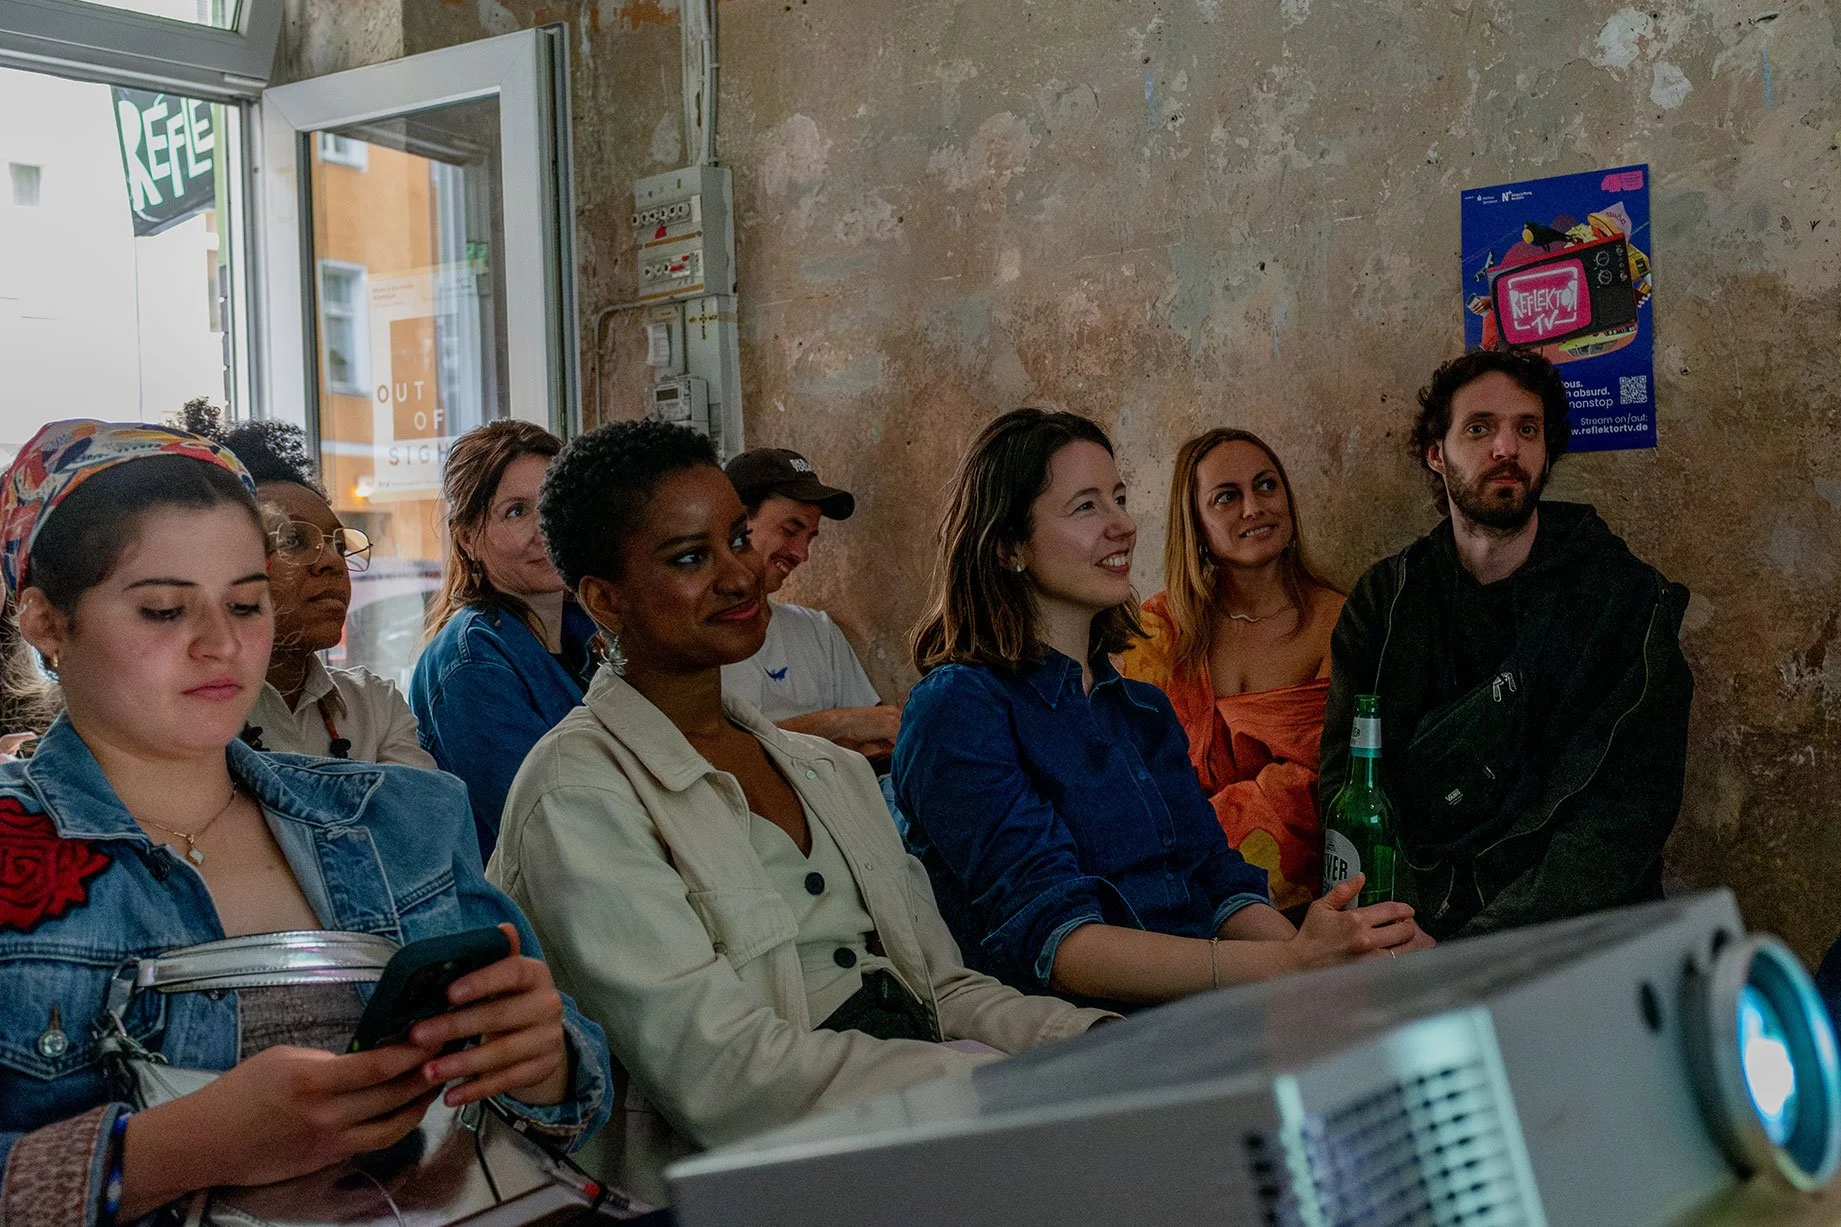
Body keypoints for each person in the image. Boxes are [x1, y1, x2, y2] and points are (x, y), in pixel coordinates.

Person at [0, 420, 611, 1227]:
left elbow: (563, 1085)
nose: (221, 644)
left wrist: (544, 1059)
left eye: (247, 603)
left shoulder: (391, 818)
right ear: (46, 621)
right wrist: (175, 1148)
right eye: (161, 609)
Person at [487, 419, 1115, 1202]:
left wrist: (1090, 1046)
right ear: (604, 600)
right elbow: (724, 1076)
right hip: (747, 1184)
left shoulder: (825, 770)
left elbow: (941, 992)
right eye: (690, 557)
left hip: (922, 1127)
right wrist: (982, 1089)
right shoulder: (578, 793)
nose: (739, 575)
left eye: (738, 539)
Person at [892, 409, 1431, 1010]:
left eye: (1119, 498)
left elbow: (1217, 880)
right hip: (1084, 1037)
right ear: (1007, 546)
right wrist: (1288, 964)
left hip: (1206, 1008)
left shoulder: (1138, 708)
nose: (1123, 525)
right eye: (1086, 507)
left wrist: (1327, 964)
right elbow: (1057, 946)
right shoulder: (960, 708)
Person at [1320, 350, 1693, 941]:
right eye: (1480, 428)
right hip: (1408, 934)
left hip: (1568, 940)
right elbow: (1352, 788)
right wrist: (1399, 929)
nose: (1507, 448)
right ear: (1436, 454)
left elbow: (1621, 822)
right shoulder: (1384, 605)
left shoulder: (1621, 603)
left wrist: (1469, 951)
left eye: (1527, 429)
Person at [1121, 429, 1343, 913]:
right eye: (1227, 497)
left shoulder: (1339, 623)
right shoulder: (1160, 631)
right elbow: (1126, 766)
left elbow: (1318, 784)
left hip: (1300, 903)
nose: (1253, 507)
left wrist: (1187, 831)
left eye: (1267, 486)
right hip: (1158, 891)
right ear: (1195, 525)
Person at [176, 404, 435, 767]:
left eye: (339, 545)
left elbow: (424, 821)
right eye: (295, 540)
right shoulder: (187, 708)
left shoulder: (374, 705)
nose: (332, 562)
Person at [412, 420, 597, 858]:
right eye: (516, 511)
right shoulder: (473, 659)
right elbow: (549, 831)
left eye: (554, 502)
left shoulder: (592, 636)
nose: (546, 528)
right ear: (469, 539)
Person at [719, 447, 899, 759]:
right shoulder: (699, 643)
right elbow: (724, 754)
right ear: (738, 525)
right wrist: (838, 723)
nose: (802, 554)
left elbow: (881, 733)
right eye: (790, 530)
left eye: (811, 537)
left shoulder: (817, 630)